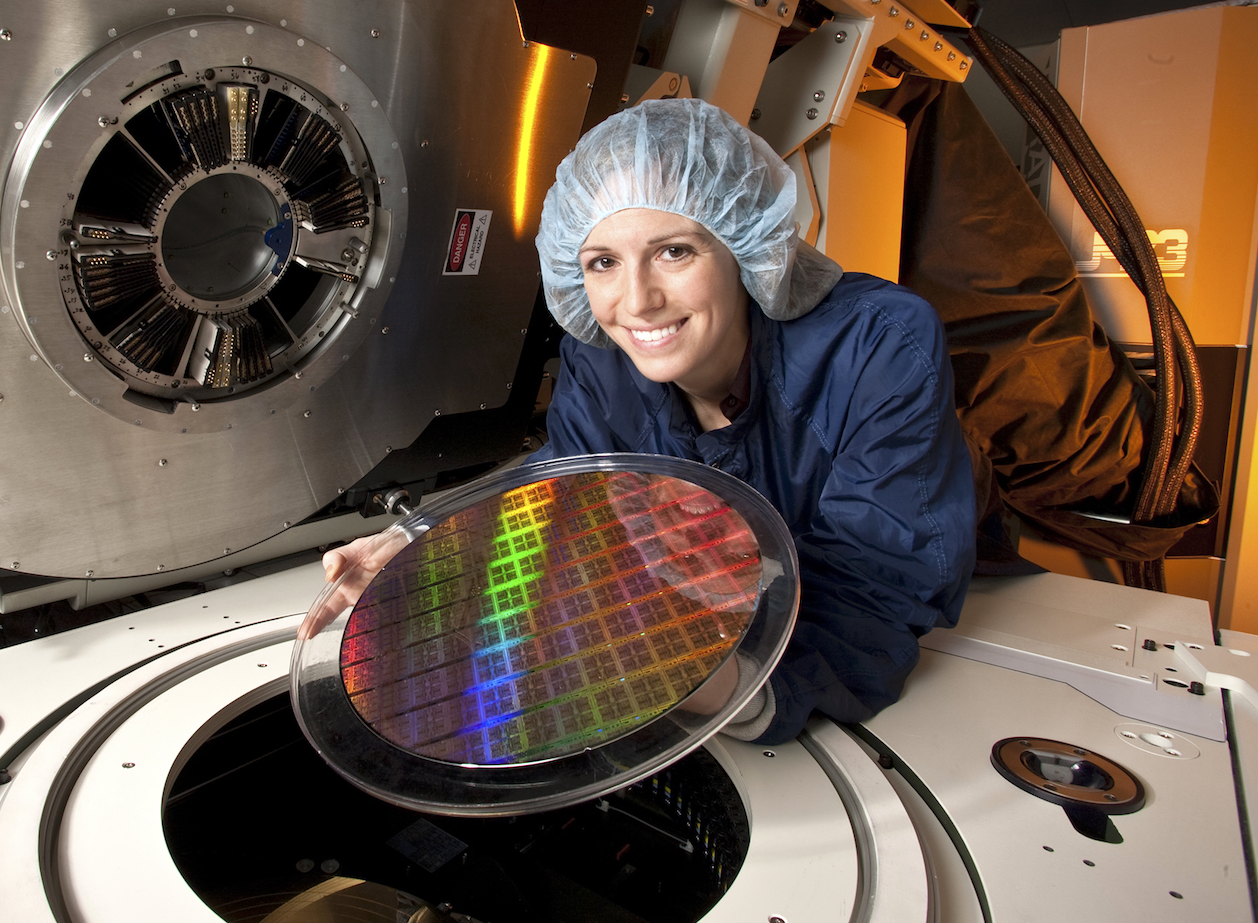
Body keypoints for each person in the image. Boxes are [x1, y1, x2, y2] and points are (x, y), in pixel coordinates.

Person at [307, 98, 977, 745]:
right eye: (603, 263)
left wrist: (725, 690)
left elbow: (883, 583)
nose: (638, 302)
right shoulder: (605, 362)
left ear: (744, 245)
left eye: (675, 252)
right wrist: (433, 547)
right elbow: (568, 489)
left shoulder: (877, 347)